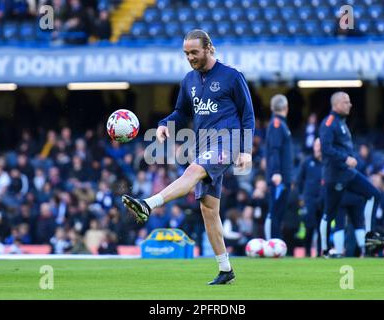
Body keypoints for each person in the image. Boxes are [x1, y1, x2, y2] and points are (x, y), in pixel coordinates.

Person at [121, 29, 254, 285]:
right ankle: (225, 270)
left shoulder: (232, 76)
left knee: (193, 172)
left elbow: (247, 114)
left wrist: (246, 151)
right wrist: (164, 124)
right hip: (204, 144)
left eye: (194, 52)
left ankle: (148, 204)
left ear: (209, 48)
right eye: (186, 53)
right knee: (208, 210)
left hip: (228, 141)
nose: (190, 57)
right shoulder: (189, 81)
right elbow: (181, 113)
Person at [319, 92, 383, 258]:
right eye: (346, 102)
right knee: (329, 213)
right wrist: (345, 158)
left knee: (374, 194)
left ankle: (369, 240)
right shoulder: (329, 122)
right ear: (336, 104)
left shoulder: (342, 123)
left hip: (348, 174)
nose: (350, 104)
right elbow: (326, 149)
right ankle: (325, 250)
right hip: (335, 175)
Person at [264, 94, 293, 240]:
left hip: (283, 177)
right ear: (286, 108)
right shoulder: (277, 124)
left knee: (278, 213)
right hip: (279, 178)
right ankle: (272, 244)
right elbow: (274, 150)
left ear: (271, 108)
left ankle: (275, 242)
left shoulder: (280, 124)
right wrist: (276, 172)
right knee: (275, 212)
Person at [296, 138, 323, 257]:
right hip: (309, 200)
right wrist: (302, 196)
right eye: (316, 145)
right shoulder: (307, 162)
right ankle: (307, 252)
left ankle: (320, 253)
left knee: (322, 228)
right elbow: (299, 180)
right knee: (309, 227)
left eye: (320, 145)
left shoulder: (328, 162)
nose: (318, 148)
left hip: (324, 200)